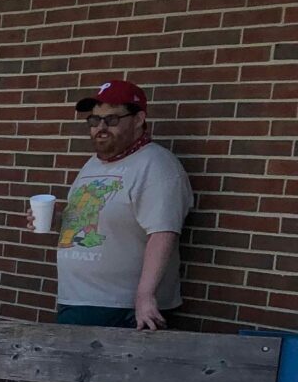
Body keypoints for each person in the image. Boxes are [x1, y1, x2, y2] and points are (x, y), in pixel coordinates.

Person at [48, 79, 192, 329]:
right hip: (76, 299)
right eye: (94, 120)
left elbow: (163, 232)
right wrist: (56, 220)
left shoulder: (157, 165)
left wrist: (144, 296)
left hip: (122, 308)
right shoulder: (93, 164)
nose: (101, 127)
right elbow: (88, 220)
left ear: (138, 119)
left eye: (112, 119)